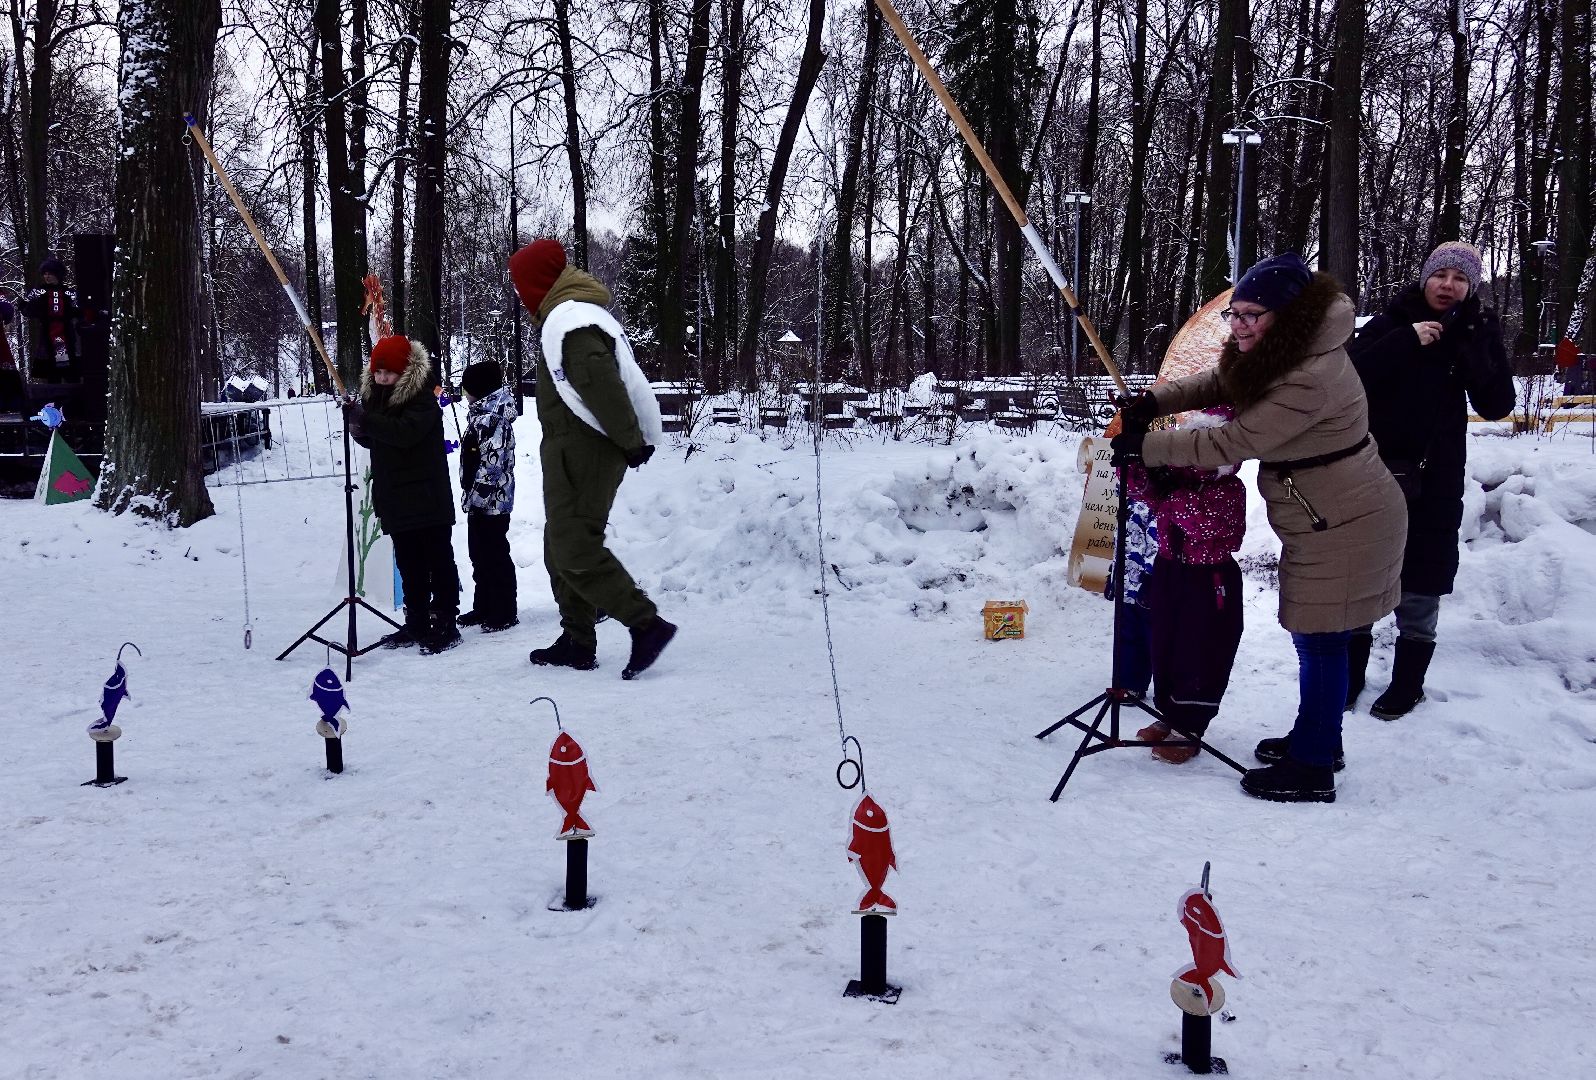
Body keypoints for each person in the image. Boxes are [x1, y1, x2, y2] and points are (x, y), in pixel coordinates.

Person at [1112, 253, 1407, 803]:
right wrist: (1155, 400)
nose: (1241, 325)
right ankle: (1318, 738)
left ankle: (1314, 766)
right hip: (1324, 512)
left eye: (1254, 314)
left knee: (1319, 640)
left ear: (1289, 315)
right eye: (1236, 313)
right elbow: (1219, 382)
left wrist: (1143, 445)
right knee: (1319, 638)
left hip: (1345, 520)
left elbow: (1232, 441)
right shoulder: (1282, 351)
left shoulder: (1310, 375)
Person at [1347, 241, 1515, 719]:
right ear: (1425, 278)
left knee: (1422, 579)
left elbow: (1497, 404)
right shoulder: (1390, 322)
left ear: (1471, 287)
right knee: (1361, 575)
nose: (1448, 285)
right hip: (1373, 473)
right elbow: (1349, 378)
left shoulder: (1477, 330)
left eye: (1460, 278)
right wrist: (1406, 340)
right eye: (1441, 274)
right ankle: (1350, 677)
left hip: (1436, 477)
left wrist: (1477, 347)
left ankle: (1407, 686)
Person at [508, 238, 677, 679]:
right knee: (557, 545)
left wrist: (629, 439)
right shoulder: (564, 316)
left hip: (586, 449)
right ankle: (578, 639)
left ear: (538, 283)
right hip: (569, 448)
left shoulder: (572, 321)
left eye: (520, 284)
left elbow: (600, 382)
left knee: (575, 545)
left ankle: (646, 624)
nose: (519, 293)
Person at [1130, 407, 1248, 765]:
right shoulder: (1177, 481)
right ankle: (1169, 715)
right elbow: (1141, 491)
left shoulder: (1230, 489)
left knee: (1201, 651)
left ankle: (1191, 727)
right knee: (1167, 645)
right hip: (1170, 570)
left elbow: (1204, 525)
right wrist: (1139, 459)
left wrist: (1171, 493)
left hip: (1209, 580)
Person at [344, 335, 462, 655]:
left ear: (405, 371)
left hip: (426, 495)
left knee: (437, 560)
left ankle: (447, 620)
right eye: (378, 372)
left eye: (389, 372)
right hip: (395, 495)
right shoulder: (377, 399)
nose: (382, 378)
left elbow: (404, 434)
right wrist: (359, 428)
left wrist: (367, 421)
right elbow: (378, 441)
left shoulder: (422, 399)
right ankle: (417, 620)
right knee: (408, 563)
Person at [457, 360, 520, 633]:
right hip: (479, 502)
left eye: (467, 388)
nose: (463, 393)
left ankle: (504, 610)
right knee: (478, 554)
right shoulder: (481, 414)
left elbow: (490, 466)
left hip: (491, 503)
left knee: (494, 555)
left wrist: (477, 497)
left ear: (479, 390)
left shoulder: (492, 419)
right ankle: (484, 604)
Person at [19, 257, 80, 382]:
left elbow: (78, 311)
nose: (47, 277)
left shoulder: (69, 293)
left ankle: (72, 399)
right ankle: (53, 399)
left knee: (68, 369)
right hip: (47, 334)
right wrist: (25, 306)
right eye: (45, 274)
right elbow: (27, 310)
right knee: (51, 370)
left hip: (66, 334)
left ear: (58, 275)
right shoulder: (37, 292)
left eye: (50, 274)